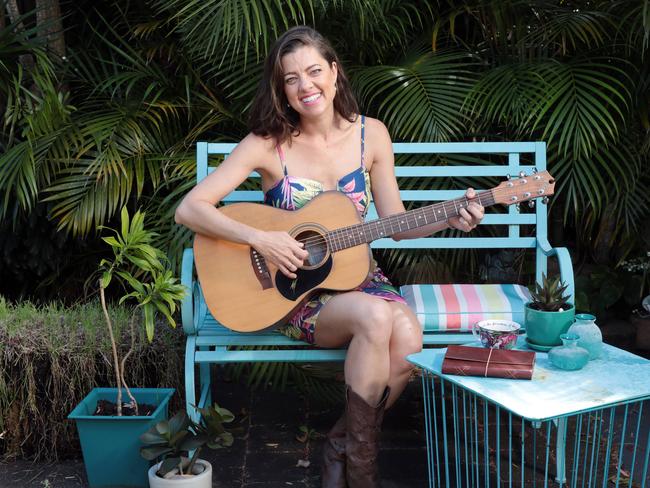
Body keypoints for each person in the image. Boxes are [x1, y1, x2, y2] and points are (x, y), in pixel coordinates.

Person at [175, 25, 484, 488]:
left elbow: (396, 222)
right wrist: (262, 239)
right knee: (379, 321)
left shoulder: (371, 136)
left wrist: (449, 218)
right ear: (281, 89)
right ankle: (363, 475)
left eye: (314, 71)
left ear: (335, 73)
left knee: (407, 335)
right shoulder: (267, 143)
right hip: (295, 292)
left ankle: (342, 445)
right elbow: (190, 209)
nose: (306, 86)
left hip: (361, 279)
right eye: (291, 78)